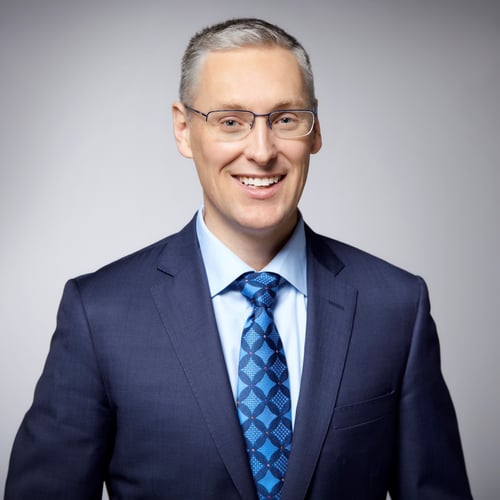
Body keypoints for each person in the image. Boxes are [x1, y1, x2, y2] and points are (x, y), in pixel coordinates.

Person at [5, 18, 472, 500]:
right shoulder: (99, 314)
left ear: (315, 130)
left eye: (285, 119)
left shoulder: (395, 307)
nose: (262, 151)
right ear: (183, 130)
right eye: (230, 121)